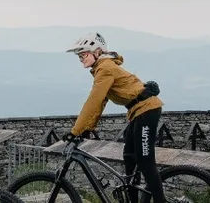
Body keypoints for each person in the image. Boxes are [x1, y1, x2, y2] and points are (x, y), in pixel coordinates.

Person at [65, 32, 165, 203]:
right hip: (137, 112)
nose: (81, 58)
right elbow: (100, 103)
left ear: (97, 51)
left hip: (147, 110)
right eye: (79, 56)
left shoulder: (104, 68)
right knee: (129, 157)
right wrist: (88, 128)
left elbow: (93, 101)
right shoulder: (102, 68)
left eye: (84, 54)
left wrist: (75, 131)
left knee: (145, 161)